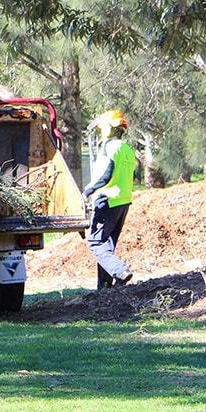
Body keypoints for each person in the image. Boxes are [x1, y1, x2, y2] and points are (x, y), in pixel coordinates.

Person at [82, 109, 136, 289]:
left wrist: (87, 191)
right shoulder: (127, 149)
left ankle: (120, 270)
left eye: (102, 128)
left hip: (107, 199)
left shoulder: (109, 147)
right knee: (107, 245)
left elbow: (106, 175)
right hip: (123, 201)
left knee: (95, 242)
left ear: (110, 128)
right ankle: (105, 287)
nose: (101, 131)